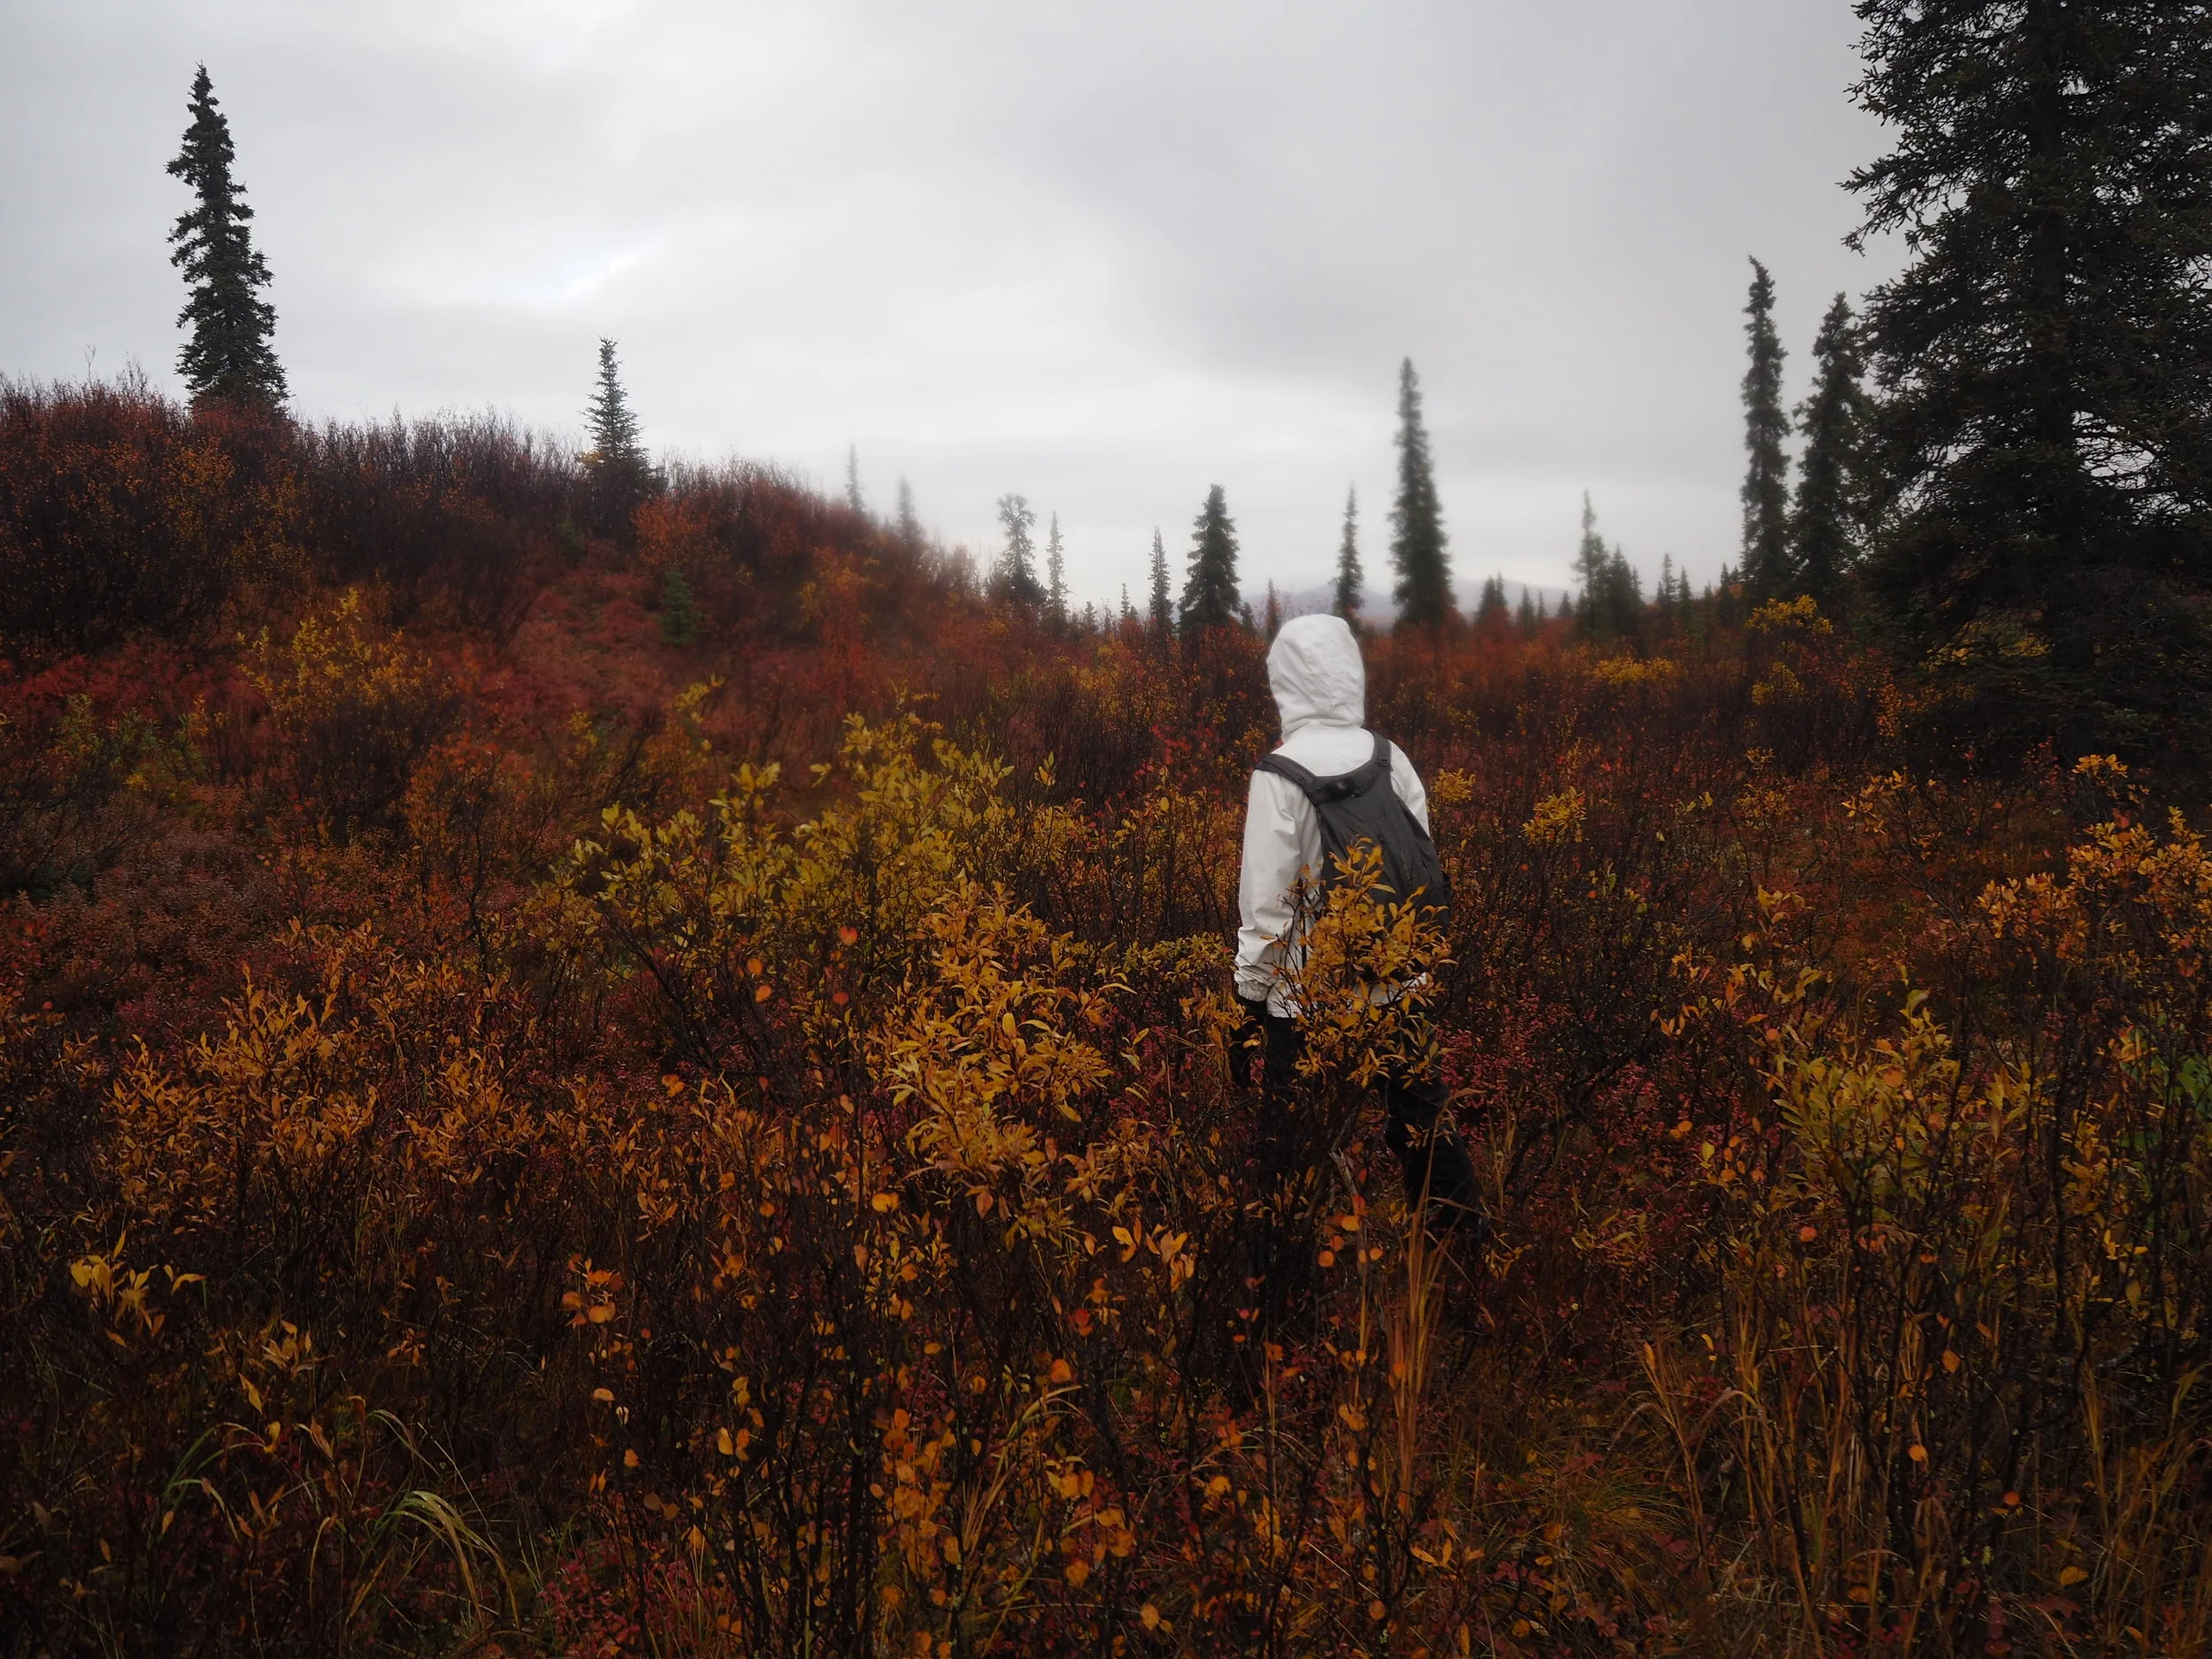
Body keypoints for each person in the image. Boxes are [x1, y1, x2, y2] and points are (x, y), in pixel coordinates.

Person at [1233, 612, 1482, 1233]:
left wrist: (1251, 998)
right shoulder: (1389, 756)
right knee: (1427, 1126)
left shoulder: (1279, 772)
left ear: (1283, 680)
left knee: (1288, 1150)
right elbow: (1420, 859)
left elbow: (1267, 905)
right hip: (1399, 985)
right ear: (1350, 673)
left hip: (1309, 1001)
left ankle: (1279, 1281)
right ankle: (1463, 1249)